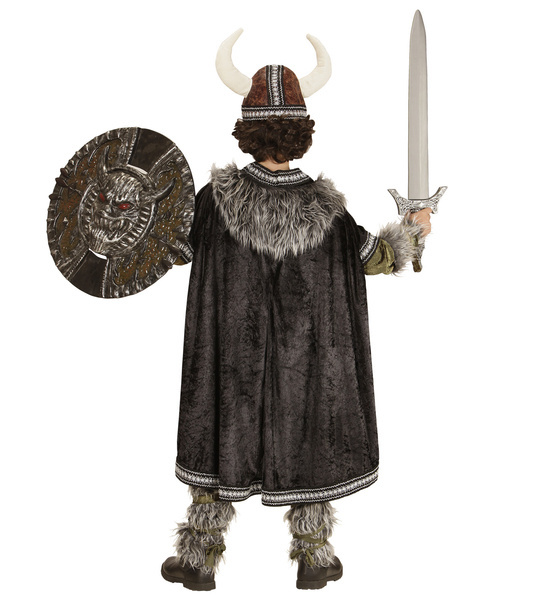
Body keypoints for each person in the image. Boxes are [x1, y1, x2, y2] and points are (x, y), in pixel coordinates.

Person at [161, 30, 431, 591]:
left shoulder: (214, 202)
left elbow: (175, 250)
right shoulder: (327, 212)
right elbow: (377, 257)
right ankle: (314, 555)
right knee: (309, 423)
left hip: (229, 358)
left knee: (220, 426)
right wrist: (414, 230)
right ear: (301, 132)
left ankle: (200, 559)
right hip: (303, 362)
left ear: (247, 130)